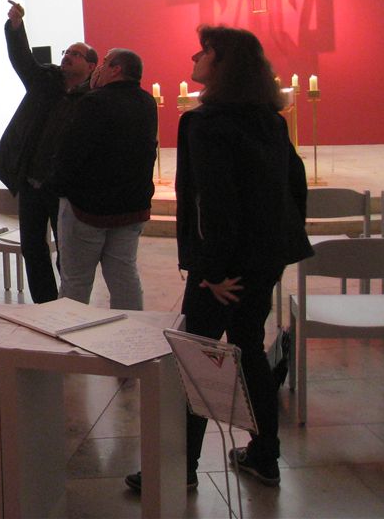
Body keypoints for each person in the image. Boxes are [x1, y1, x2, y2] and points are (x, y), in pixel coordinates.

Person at [125, 26, 312, 494]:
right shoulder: (270, 119)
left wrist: (212, 272)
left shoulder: (205, 122)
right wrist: (270, 253)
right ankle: (265, 456)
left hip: (223, 267)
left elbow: (214, 202)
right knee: (248, 349)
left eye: (205, 50)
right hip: (263, 258)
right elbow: (295, 186)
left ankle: (179, 468)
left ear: (223, 63)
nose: (195, 54)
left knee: (196, 358)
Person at [0, 0, 97, 303]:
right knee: (32, 248)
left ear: (90, 66)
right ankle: (45, 304)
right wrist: (15, 27)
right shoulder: (45, 79)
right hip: (32, 182)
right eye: (66, 52)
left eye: (75, 54)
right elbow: (22, 60)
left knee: (67, 250)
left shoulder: (92, 98)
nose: (67, 56)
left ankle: (70, 302)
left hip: (63, 188)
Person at [55, 49, 157, 310]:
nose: (99, 69)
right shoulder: (147, 102)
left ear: (116, 69)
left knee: (76, 281)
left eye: (104, 63)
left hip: (88, 209)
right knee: (124, 277)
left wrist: (61, 188)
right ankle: (131, 337)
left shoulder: (94, 102)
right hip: (131, 208)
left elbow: (70, 152)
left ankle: (68, 340)